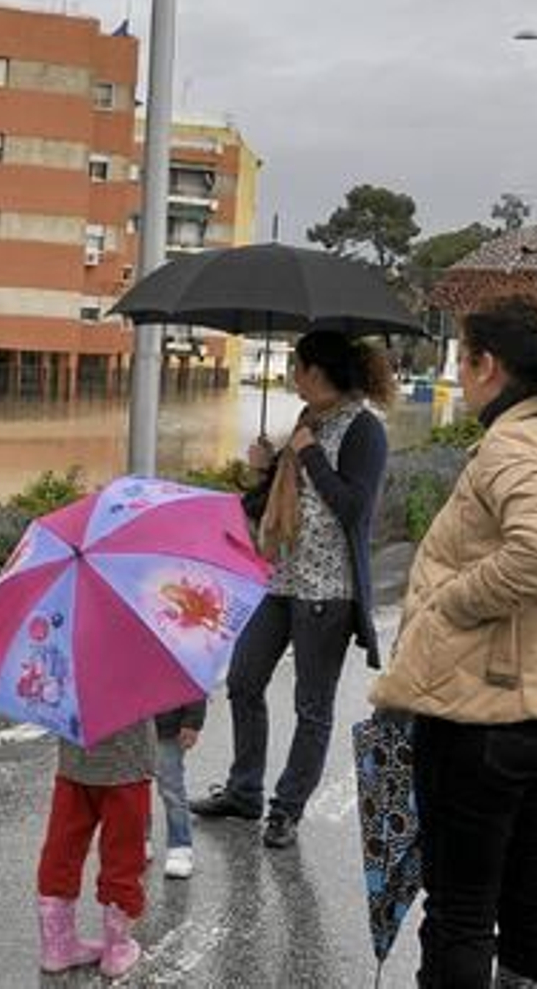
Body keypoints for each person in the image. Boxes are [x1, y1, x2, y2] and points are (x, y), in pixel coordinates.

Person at [369, 295, 537, 988]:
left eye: (461, 356)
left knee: (460, 906)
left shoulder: (514, 443)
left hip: (489, 706)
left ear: (487, 364)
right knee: (528, 888)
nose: (459, 370)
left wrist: (452, 599)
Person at [190, 330, 394, 849]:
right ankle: (244, 791)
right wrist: (263, 468)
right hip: (280, 578)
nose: (292, 376)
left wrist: (309, 457)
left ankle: (287, 808)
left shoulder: (364, 429)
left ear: (317, 371)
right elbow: (279, 503)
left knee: (312, 706)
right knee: (243, 679)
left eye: (297, 367)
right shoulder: (308, 422)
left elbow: (354, 509)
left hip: (328, 588)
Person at [35, 719, 154, 978]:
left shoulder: (69, 676)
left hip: (74, 763)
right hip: (127, 766)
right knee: (123, 854)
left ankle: (56, 947)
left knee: (62, 848)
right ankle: (116, 948)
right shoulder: (141, 676)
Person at [149, 699, 205, 879]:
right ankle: (139, 838)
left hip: (168, 726)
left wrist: (192, 722)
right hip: (131, 728)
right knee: (134, 788)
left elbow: (194, 684)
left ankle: (180, 845)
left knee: (171, 789)